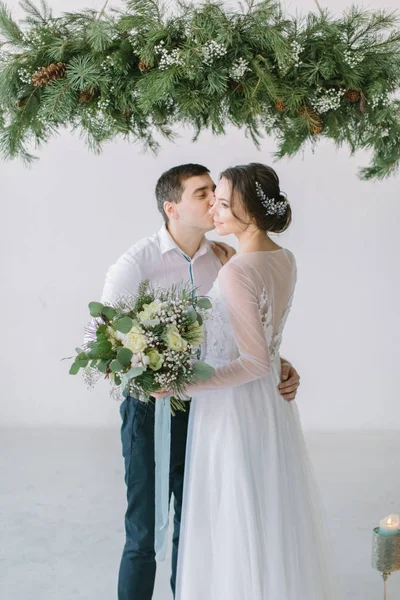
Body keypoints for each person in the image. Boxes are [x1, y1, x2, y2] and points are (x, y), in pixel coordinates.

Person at [95, 163, 301, 600]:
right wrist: (152, 372)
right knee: (144, 529)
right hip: (152, 407)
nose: (214, 202)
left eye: (217, 194)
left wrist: (279, 361)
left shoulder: (227, 258)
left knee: (198, 524)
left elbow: (247, 337)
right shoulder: (137, 263)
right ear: (172, 208)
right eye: (202, 193)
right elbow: (107, 340)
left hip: (211, 409)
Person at [154, 163, 335, 600]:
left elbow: (252, 359)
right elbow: (266, 344)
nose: (214, 210)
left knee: (233, 509)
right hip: (269, 404)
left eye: (222, 203)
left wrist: (180, 385)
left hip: (232, 407)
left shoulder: (237, 272)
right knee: (266, 505)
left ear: (249, 213)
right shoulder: (281, 258)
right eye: (212, 200)